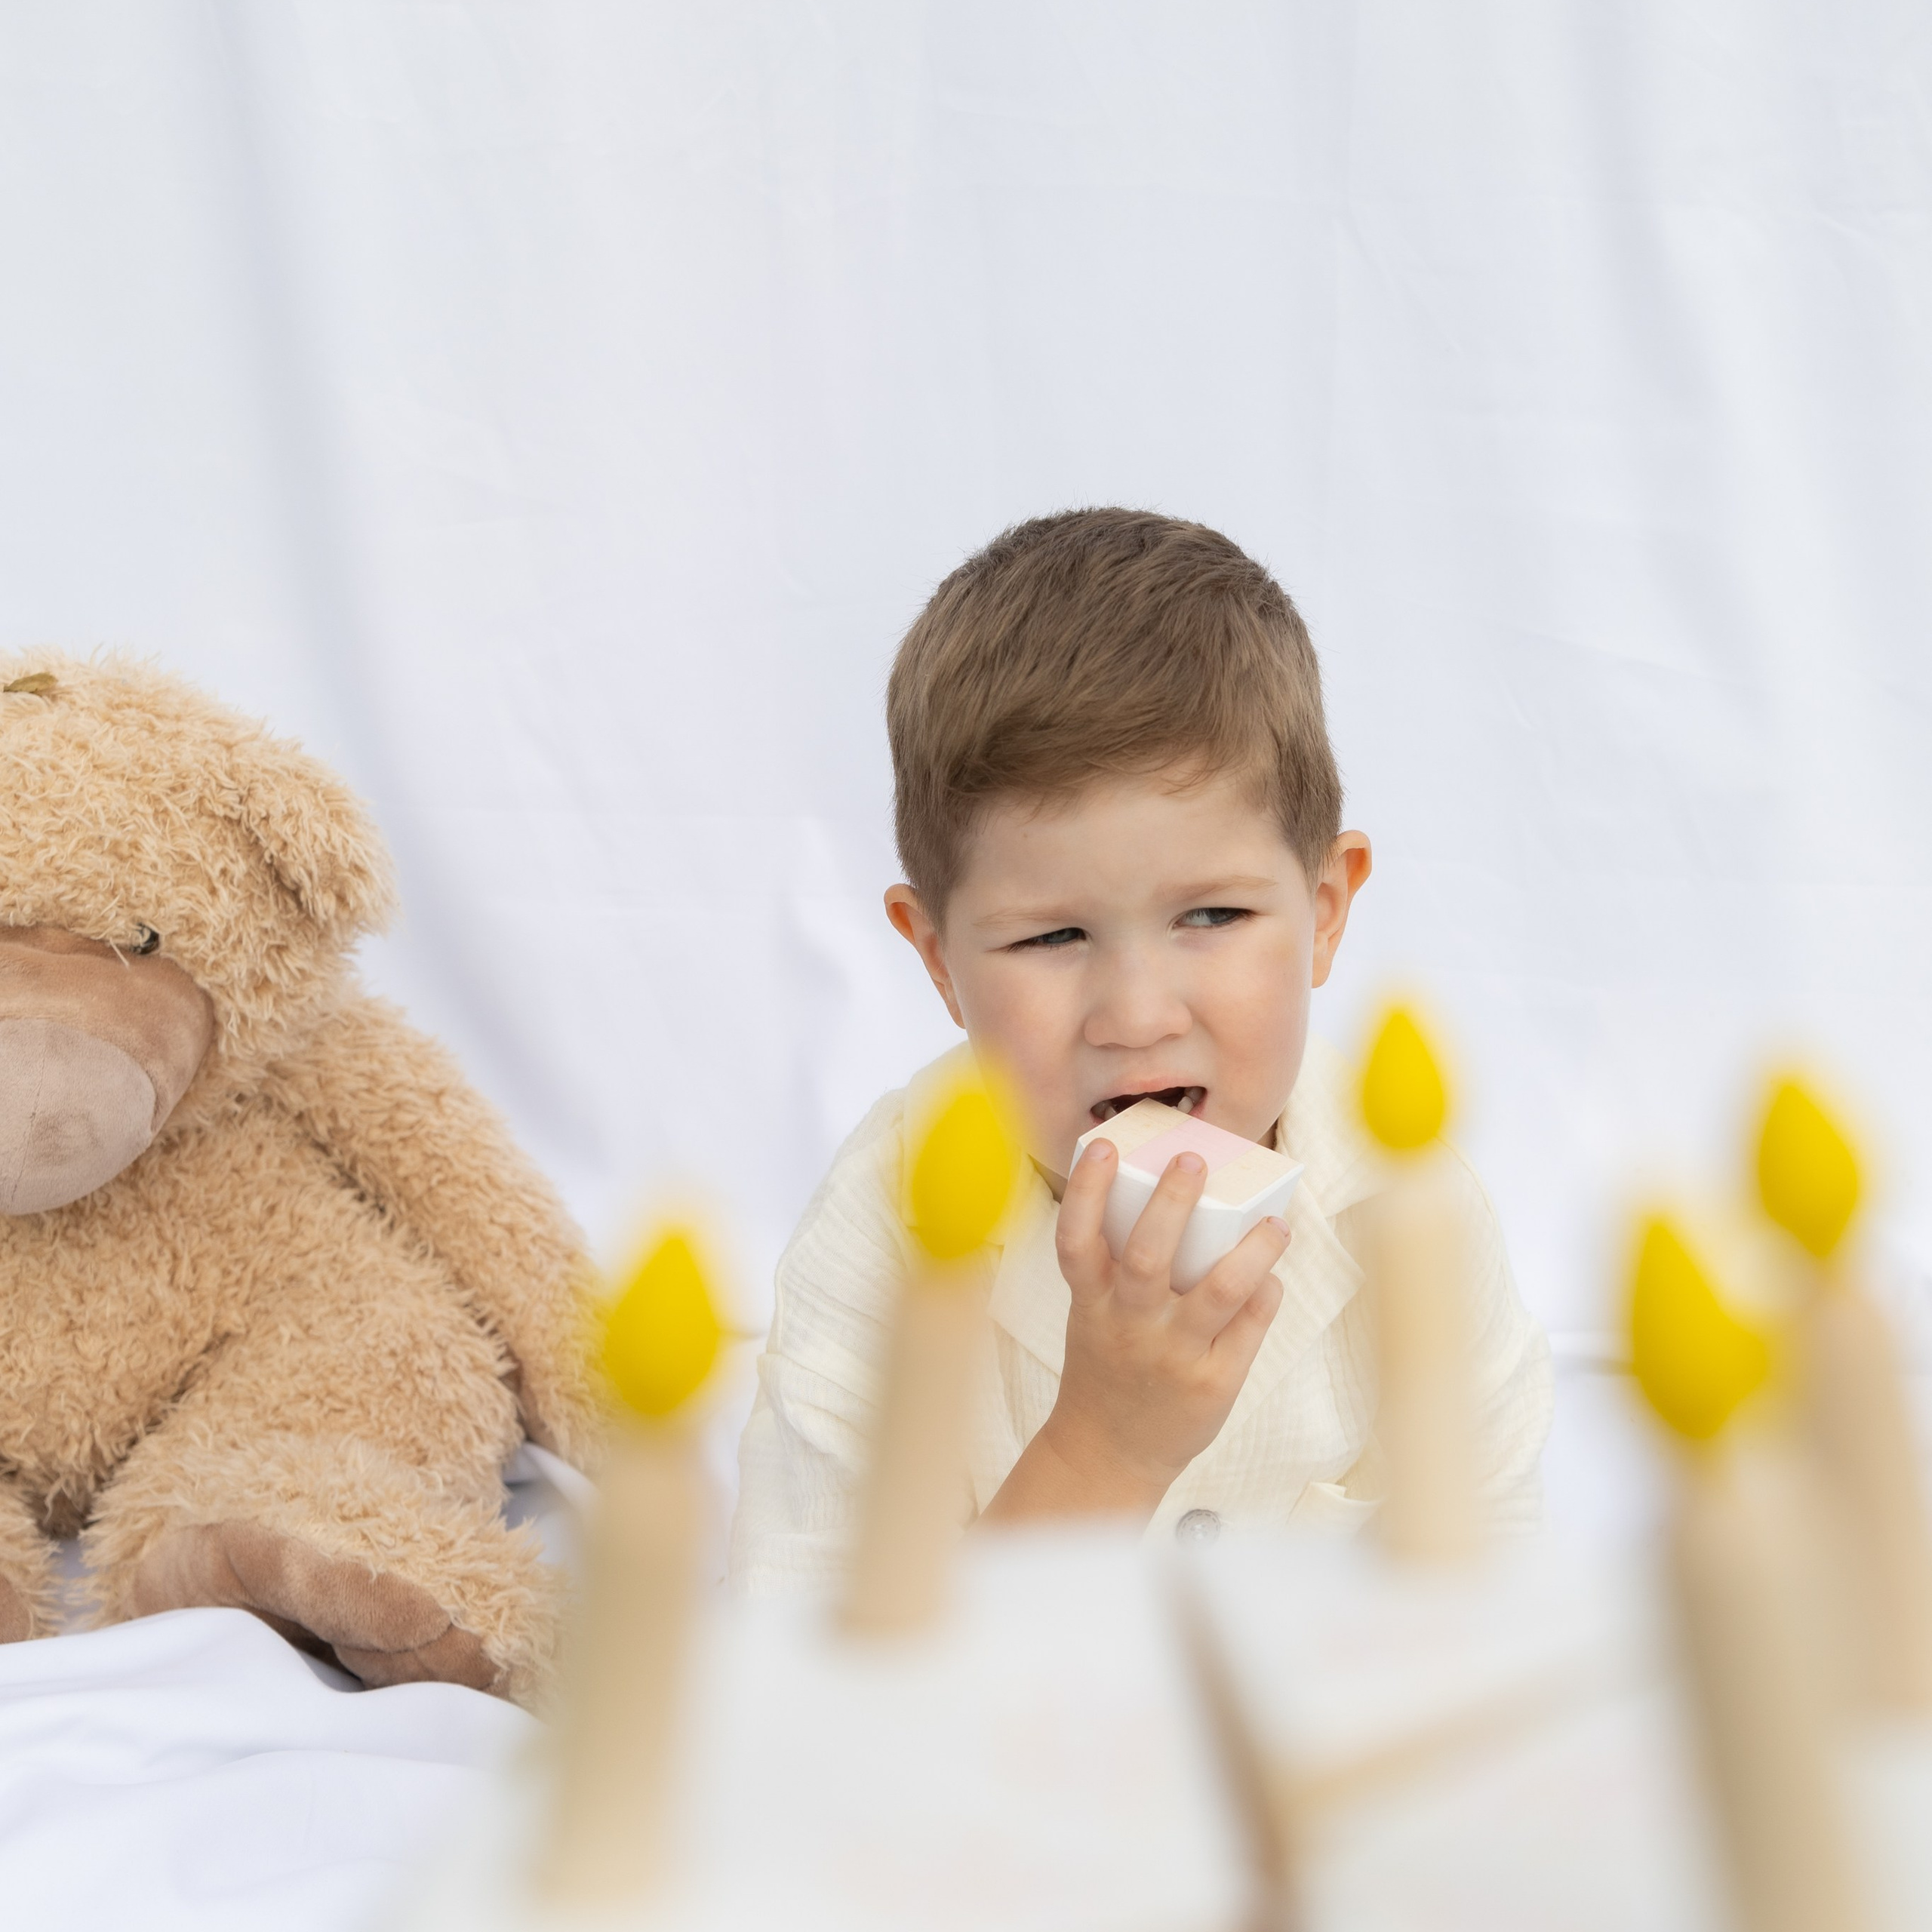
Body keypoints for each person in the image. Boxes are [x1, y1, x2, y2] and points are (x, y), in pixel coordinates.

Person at [730, 509, 1551, 1592]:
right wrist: (1102, 1447)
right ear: (937, 959)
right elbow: (820, 1681)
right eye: (1053, 936)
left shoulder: (1412, 1207)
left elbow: (1491, 1575)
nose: (1138, 1013)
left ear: (1326, 909)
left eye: (1211, 917)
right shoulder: (886, 1232)